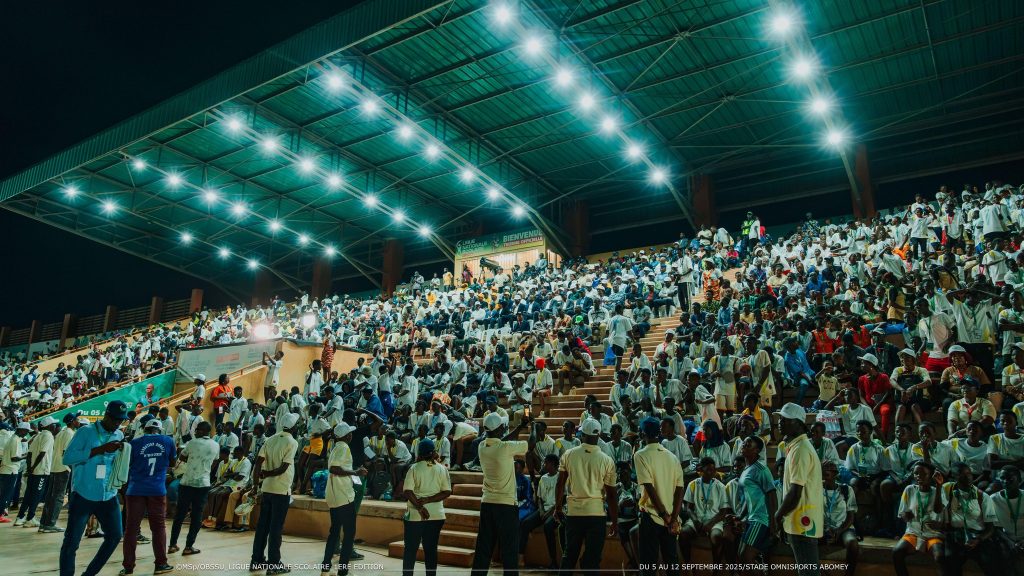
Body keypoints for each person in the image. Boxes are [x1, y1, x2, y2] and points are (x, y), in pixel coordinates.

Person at [58, 400, 130, 576]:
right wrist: (100, 450)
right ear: (106, 415)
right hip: (84, 494)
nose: (117, 424)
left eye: (120, 421)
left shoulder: (119, 435)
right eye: (115, 420)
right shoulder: (86, 432)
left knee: (114, 536)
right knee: (72, 542)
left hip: (108, 495)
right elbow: (67, 458)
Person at [555, 419, 618, 576]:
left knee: (569, 556)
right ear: (599, 434)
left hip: (574, 513)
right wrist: (615, 521)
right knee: (593, 560)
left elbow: (560, 484)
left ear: (582, 434)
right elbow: (611, 495)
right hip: (596, 515)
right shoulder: (607, 460)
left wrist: (557, 508)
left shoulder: (569, 455)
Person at [470, 412, 529, 576]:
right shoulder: (505, 448)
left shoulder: (482, 446)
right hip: (506, 506)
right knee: (509, 551)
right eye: (503, 426)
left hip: (488, 503)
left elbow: (501, 441)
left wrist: (519, 427)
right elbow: (528, 445)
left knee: (483, 549)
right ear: (500, 429)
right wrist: (534, 429)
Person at [122, 417, 176, 576]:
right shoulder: (168, 441)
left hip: (135, 489)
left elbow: (128, 465)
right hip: (157, 490)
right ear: (159, 430)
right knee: (158, 528)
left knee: (131, 529)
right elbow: (172, 462)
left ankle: (128, 567)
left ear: (144, 429)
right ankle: (161, 564)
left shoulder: (134, 443)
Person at [774, 403, 823, 576]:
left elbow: (795, 492)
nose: (780, 422)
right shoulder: (796, 447)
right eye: (780, 418)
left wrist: (778, 515)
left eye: (785, 419)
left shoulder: (800, 449)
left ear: (799, 423)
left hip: (802, 521)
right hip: (800, 519)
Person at [250, 412, 300, 574]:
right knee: (276, 528)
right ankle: (274, 564)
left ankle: (256, 560)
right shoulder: (292, 442)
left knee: (262, 526)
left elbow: (258, 463)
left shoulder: (270, 439)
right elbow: (284, 467)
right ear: (293, 427)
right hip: (281, 489)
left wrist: (256, 484)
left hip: (267, 489)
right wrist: (269, 474)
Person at [402, 438, 452, 576]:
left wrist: (420, 507)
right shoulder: (442, 469)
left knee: (410, 550)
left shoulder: (414, 468)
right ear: (434, 452)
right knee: (431, 550)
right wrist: (429, 500)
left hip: (415, 516)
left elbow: (407, 491)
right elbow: (447, 491)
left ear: (420, 453)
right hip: (436, 515)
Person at [321, 422, 366, 576]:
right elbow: (334, 468)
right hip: (343, 496)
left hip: (334, 496)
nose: (351, 434)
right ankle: (343, 568)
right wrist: (356, 472)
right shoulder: (344, 447)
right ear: (347, 436)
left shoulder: (335, 447)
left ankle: (326, 564)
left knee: (334, 531)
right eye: (350, 433)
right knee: (349, 532)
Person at [168, 420, 218, 556]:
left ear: (204, 431)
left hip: (187, 481)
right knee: (197, 517)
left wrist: (192, 461)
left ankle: (172, 545)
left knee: (179, 515)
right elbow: (214, 462)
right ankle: (188, 547)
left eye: (198, 430)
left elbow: (182, 456)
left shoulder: (192, 443)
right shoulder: (215, 445)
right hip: (203, 483)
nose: (196, 432)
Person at [892, 461, 946, 576]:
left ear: (931, 475)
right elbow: (902, 514)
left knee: (940, 557)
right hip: (913, 533)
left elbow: (938, 509)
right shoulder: (909, 489)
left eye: (923, 474)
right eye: (916, 473)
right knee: (896, 552)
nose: (918, 477)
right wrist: (906, 516)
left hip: (932, 533)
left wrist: (939, 486)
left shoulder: (939, 491)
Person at [734, 435, 777, 563]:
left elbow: (772, 495)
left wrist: (773, 524)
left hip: (760, 519)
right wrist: (740, 516)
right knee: (741, 556)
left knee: (746, 557)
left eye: (748, 444)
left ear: (757, 450)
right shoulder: (746, 469)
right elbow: (748, 498)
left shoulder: (761, 470)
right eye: (744, 443)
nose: (744, 445)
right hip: (751, 518)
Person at [39, 414, 85, 532]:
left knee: (51, 497)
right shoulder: (70, 434)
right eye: (77, 419)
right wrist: (73, 469)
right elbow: (66, 453)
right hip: (63, 469)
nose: (78, 421)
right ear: (72, 421)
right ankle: (50, 524)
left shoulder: (61, 433)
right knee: (58, 498)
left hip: (55, 468)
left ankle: (44, 523)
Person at [16, 416, 58, 527]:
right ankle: (30, 518)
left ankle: (20, 517)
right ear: (49, 426)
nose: (54, 426)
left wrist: (30, 468)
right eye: (53, 424)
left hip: (34, 471)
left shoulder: (38, 435)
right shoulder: (48, 436)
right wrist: (33, 467)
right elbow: (42, 453)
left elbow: (29, 454)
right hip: (41, 471)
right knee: (36, 496)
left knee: (28, 494)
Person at [821, 460, 859, 576]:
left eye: (829, 472)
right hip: (822, 527)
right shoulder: (816, 490)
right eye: (823, 472)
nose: (825, 476)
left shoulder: (846, 490)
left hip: (843, 527)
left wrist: (839, 531)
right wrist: (824, 529)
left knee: (852, 543)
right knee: (807, 541)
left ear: (835, 474)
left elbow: (850, 516)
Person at [0, 422, 31, 523]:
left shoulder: (14, 439)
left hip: (7, 470)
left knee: (4, 493)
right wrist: (26, 456)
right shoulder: (15, 440)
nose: (26, 433)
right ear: (21, 430)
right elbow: (14, 458)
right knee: (5, 494)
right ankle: (0, 514)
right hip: (10, 470)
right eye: (26, 431)